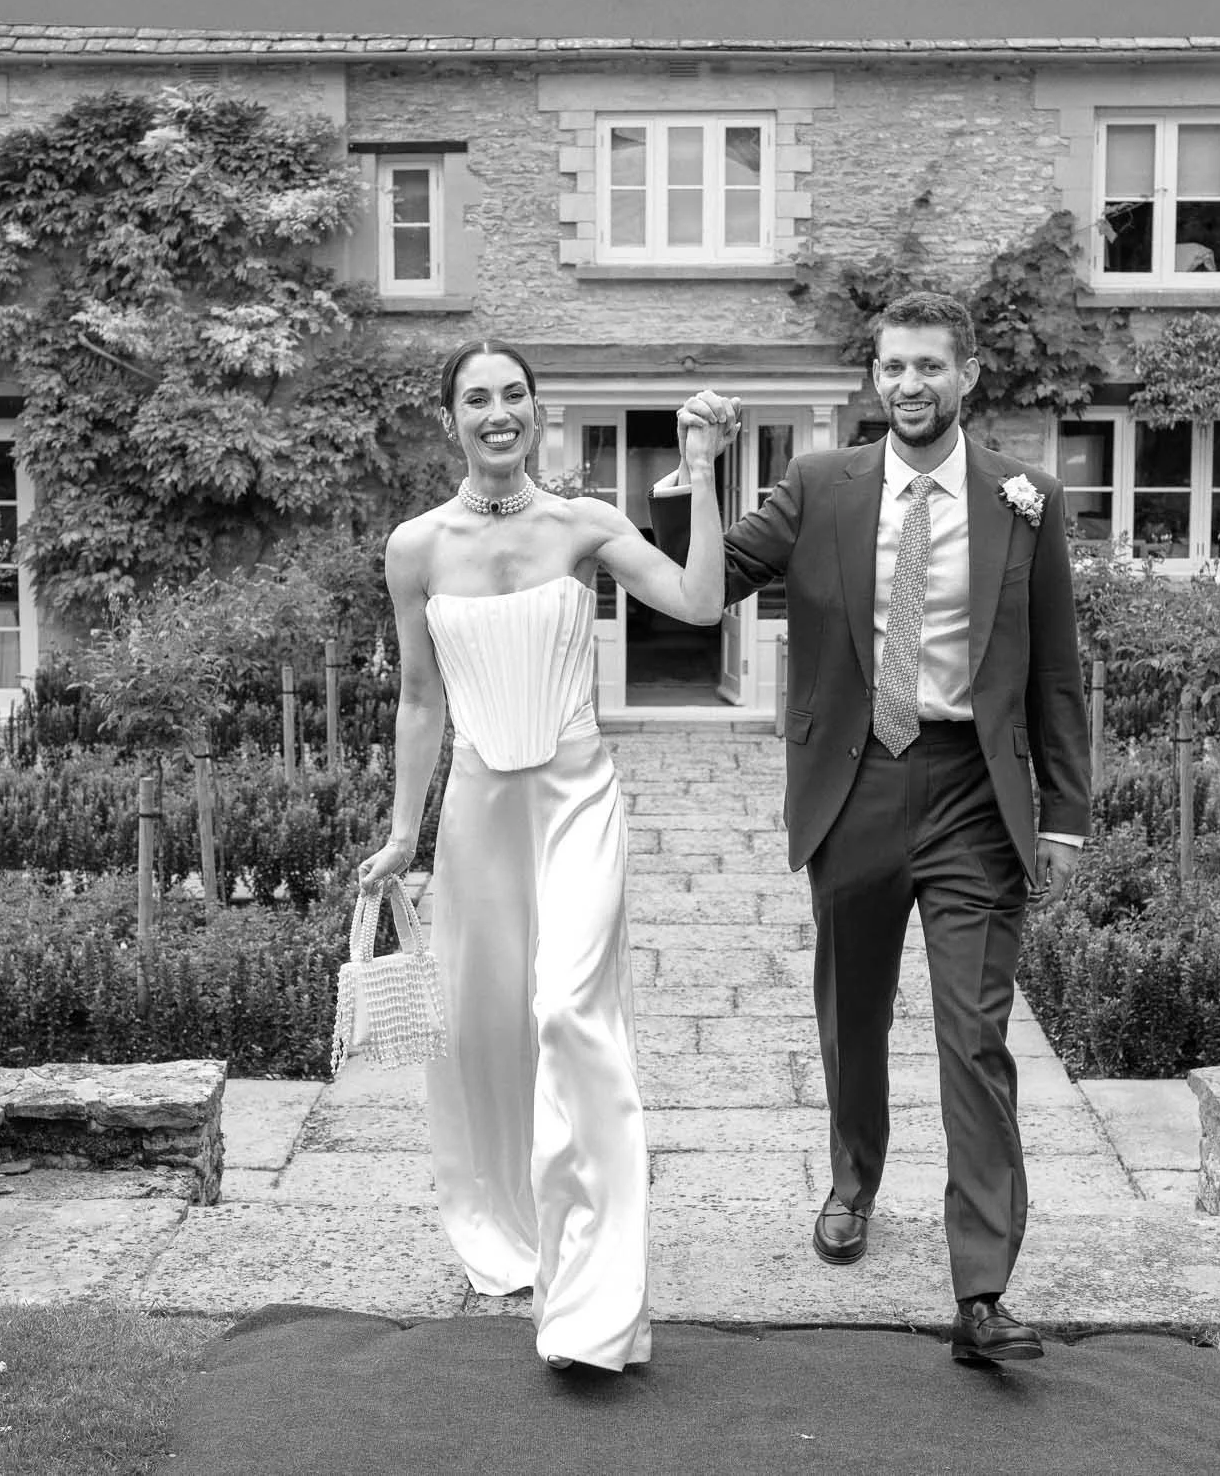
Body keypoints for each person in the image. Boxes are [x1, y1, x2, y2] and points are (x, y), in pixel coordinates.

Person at [659, 288, 1090, 1370]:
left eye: (929, 366)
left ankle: (982, 1288)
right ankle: (852, 1182)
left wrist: (1066, 815)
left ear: (968, 375)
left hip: (970, 795)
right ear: (874, 379)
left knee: (974, 1037)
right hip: (854, 781)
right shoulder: (820, 485)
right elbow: (704, 591)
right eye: (893, 366)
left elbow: (1055, 668)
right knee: (852, 1013)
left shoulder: (1024, 498)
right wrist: (699, 470)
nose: (909, 384)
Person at [354, 339, 728, 1373]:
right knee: (485, 1034)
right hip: (479, 813)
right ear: (451, 420)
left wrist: (697, 475)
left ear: (537, 410)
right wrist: (401, 832)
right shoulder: (414, 546)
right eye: (476, 398)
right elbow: (420, 697)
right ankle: (514, 1228)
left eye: (513, 394)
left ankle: (595, 1299)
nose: (497, 412)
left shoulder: (582, 521)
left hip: (576, 801)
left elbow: (700, 601)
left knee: (571, 1013)